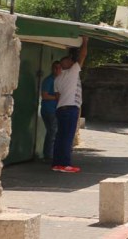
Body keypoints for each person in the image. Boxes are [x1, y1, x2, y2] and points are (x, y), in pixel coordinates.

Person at [52, 36, 87, 173]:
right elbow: (83, 55)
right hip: (70, 108)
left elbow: (57, 96)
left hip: (61, 108)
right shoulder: (72, 72)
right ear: (65, 65)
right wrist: (85, 41)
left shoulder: (57, 79)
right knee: (67, 138)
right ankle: (65, 164)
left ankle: (57, 163)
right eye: (69, 60)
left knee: (60, 137)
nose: (72, 61)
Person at [40, 61, 62, 161]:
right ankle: (48, 155)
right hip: (49, 109)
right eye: (55, 68)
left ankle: (50, 154)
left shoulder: (59, 80)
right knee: (52, 131)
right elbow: (44, 95)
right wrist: (56, 98)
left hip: (55, 109)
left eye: (59, 68)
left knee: (53, 132)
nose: (57, 70)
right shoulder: (49, 80)